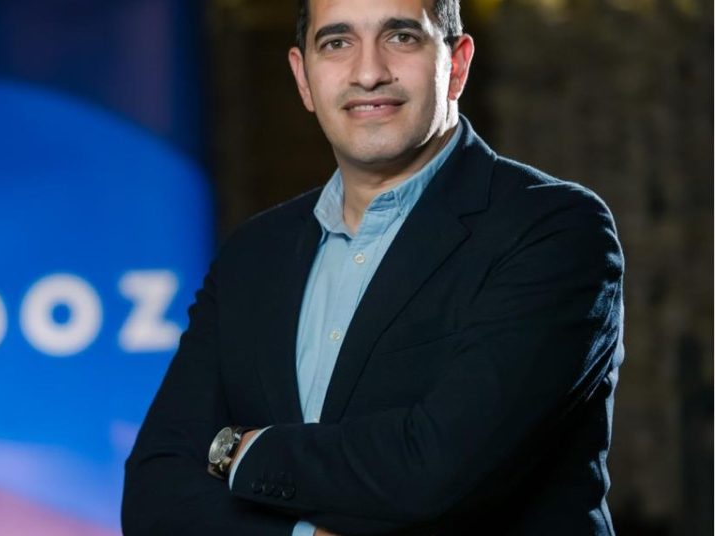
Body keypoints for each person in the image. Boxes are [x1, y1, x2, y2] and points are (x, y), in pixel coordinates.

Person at [122, 0, 625, 534]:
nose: (368, 73)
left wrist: (242, 452)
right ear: (303, 78)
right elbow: (154, 493)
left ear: (456, 64)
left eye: (401, 37)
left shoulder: (554, 229)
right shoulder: (254, 253)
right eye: (337, 43)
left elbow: (437, 470)